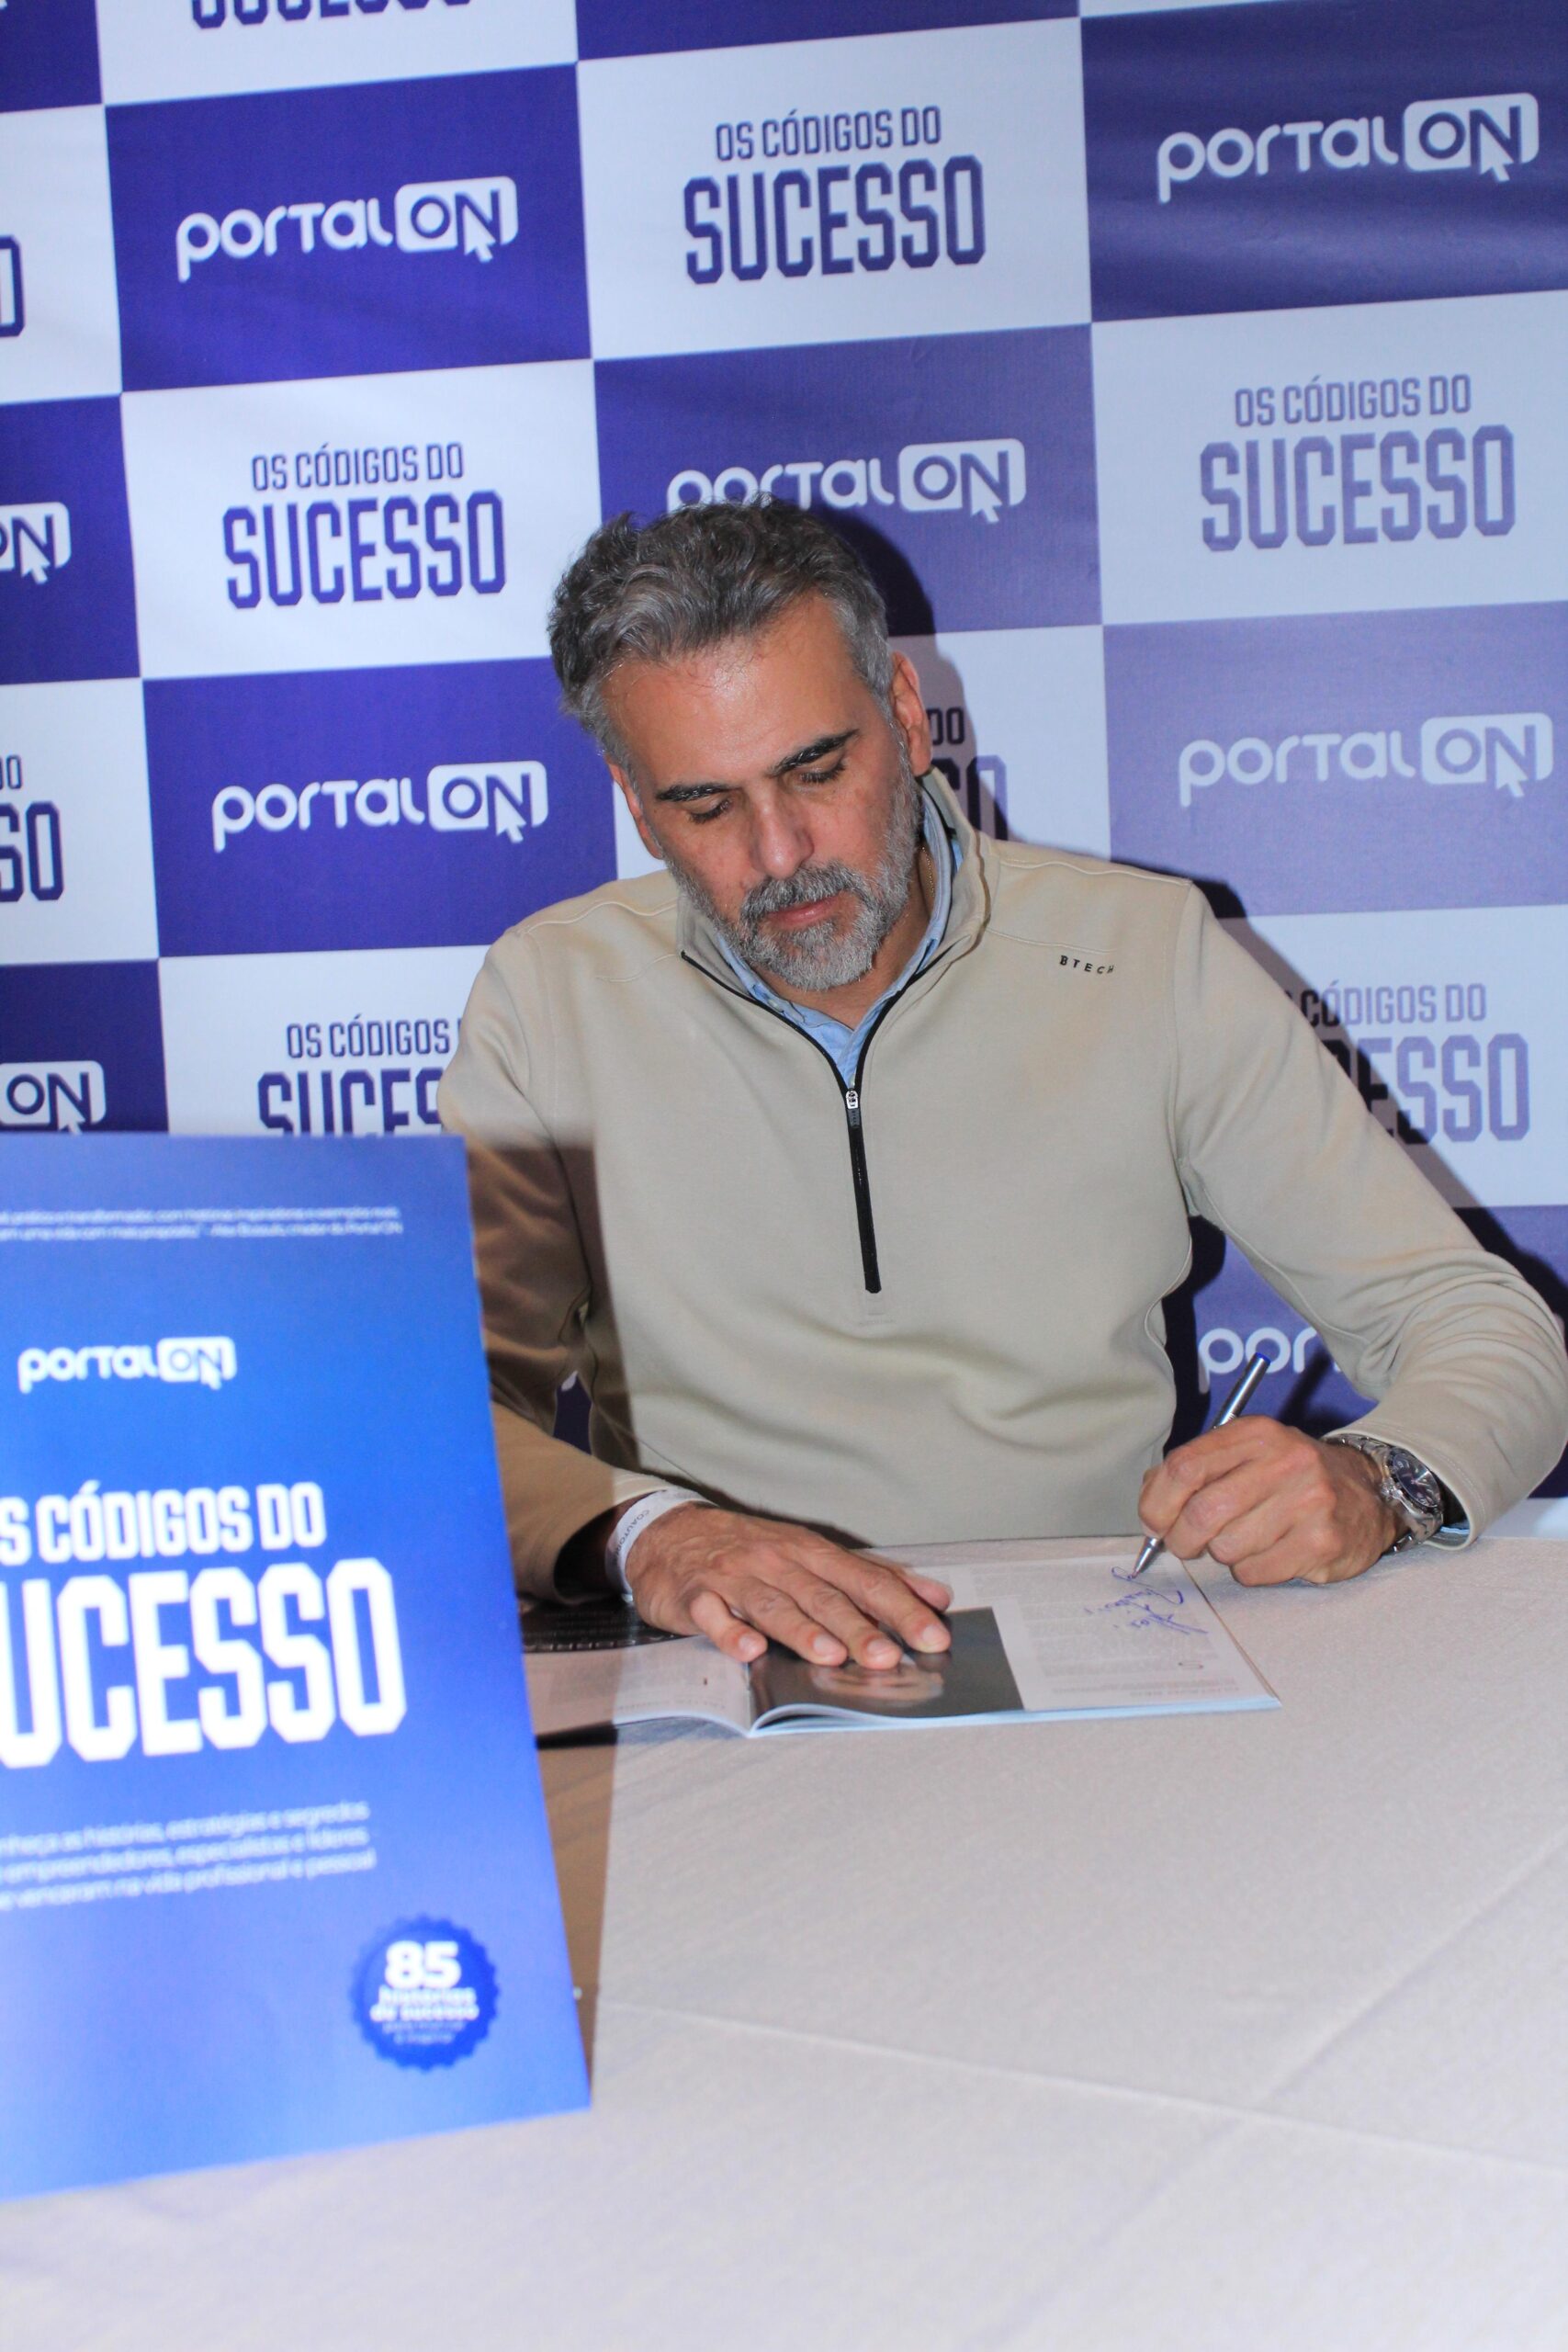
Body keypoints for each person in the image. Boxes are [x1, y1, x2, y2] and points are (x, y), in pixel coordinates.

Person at [439, 503, 1567, 1673]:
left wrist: (1377, 1482)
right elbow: (434, 1416)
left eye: (817, 769)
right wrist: (653, 1537)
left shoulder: (1146, 954)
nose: (780, 854)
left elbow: (1485, 1329)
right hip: (716, 1675)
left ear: (906, 717)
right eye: (706, 805)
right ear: (635, 803)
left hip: (1102, 1661)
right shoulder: (549, 996)